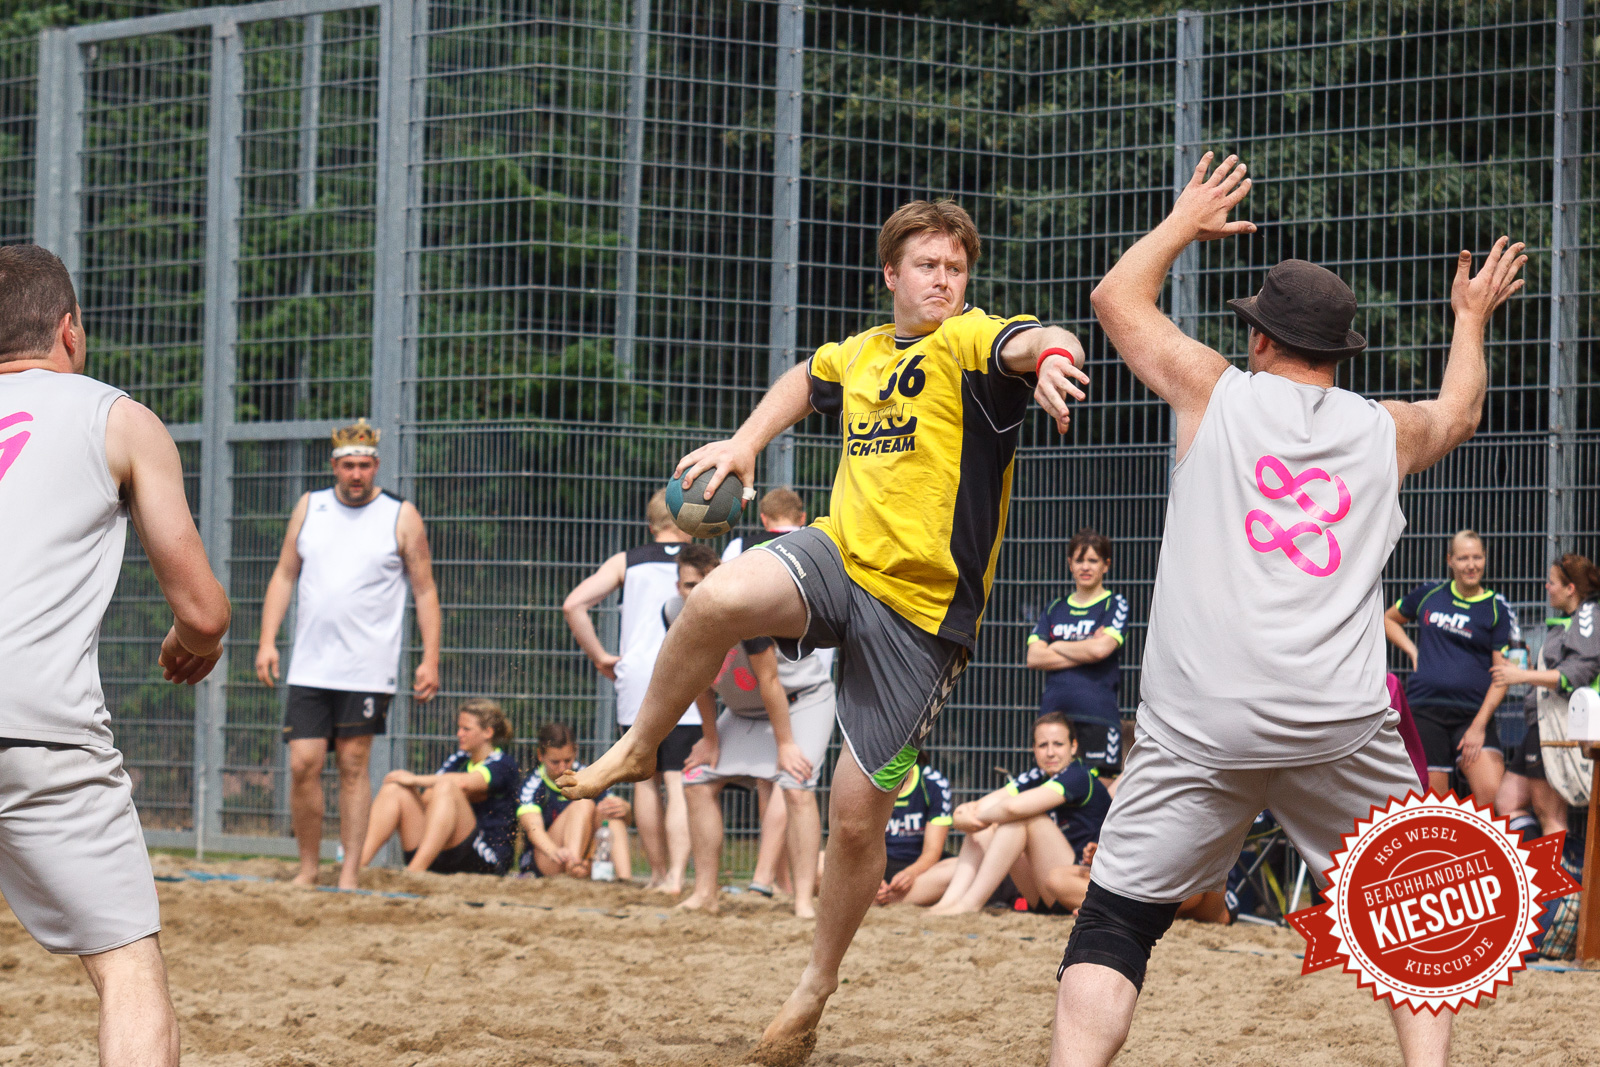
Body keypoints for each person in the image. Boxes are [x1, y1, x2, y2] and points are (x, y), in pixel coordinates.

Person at [559, 198, 1089, 1060]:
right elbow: (807, 380)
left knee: (851, 819)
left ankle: (815, 986)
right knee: (719, 597)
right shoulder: (864, 353)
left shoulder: (970, 343)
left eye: (955, 269)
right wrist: (743, 443)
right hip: (839, 559)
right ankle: (637, 746)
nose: (944, 281)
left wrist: (1058, 354)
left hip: (923, 619)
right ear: (891, 274)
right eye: (927, 266)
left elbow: (1032, 338)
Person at [1053, 152, 1525, 1067]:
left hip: (1200, 724)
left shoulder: (1213, 392)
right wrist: (1469, 319)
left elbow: (1116, 299)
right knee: (1419, 910)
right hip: (1336, 722)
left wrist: (1185, 222)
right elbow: (1460, 410)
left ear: (1262, 341)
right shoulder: (1383, 430)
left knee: (1115, 925)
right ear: (1339, 356)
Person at [0, 243, 232, 1067]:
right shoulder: (115, 416)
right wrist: (188, 641)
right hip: (36, 726)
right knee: (130, 969)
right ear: (69, 330)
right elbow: (205, 611)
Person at [255, 418, 442, 889]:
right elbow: (283, 575)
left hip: (367, 666)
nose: (356, 474)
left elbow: (424, 591)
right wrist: (266, 641)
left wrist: (429, 658)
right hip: (312, 663)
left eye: (364, 465)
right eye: (347, 465)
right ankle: (308, 867)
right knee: (303, 763)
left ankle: (350, 874)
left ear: (376, 466)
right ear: (334, 467)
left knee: (354, 766)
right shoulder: (310, 507)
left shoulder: (401, 515)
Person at [675, 545, 835, 917]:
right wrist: (710, 739)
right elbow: (695, 680)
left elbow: (770, 681)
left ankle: (801, 902)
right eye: (688, 585)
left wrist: (786, 745)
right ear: (677, 584)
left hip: (801, 701)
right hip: (745, 712)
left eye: (703, 582)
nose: (696, 592)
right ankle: (704, 894)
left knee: (796, 786)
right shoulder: (675, 613)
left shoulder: (743, 612)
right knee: (696, 779)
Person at [563, 489, 700, 892]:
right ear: (690, 521)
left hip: (638, 677)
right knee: (679, 780)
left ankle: (656, 876)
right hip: (687, 674)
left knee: (645, 779)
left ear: (650, 524)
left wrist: (601, 656)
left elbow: (574, 604)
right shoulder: (702, 563)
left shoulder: (628, 561)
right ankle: (677, 877)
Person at [723, 487, 837, 898]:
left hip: (768, 676)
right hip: (809, 672)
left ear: (764, 519)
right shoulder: (820, 544)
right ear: (801, 515)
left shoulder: (742, 547)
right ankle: (778, 881)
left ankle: (763, 879)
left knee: (782, 780)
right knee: (779, 779)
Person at [925, 713, 1110, 915]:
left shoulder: (1078, 774)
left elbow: (1013, 809)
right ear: (1033, 750)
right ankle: (950, 901)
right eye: (1042, 745)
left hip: (1074, 881)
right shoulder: (1036, 776)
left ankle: (970, 903)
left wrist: (973, 818)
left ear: (1073, 747)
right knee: (985, 829)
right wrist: (965, 817)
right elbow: (977, 808)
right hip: (1043, 891)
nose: (1050, 752)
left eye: (1058, 744)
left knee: (1024, 819)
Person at [1384, 529, 1515, 806]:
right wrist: (1412, 650)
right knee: (1432, 804)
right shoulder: (1429, 593)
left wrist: (1478, 727)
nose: (1471, 565)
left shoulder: (1496, 607)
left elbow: (1502, 676)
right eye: (1463, 557)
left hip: (1473, 715)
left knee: (1495, 799)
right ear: (1450, 560)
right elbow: (1389, 619)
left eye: (1477, 557)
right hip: (1425, 711)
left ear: (1485, 559)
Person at [1493, 554, 1600, 836]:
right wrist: (1528, 668)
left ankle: (1559, 878)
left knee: (1550, 815)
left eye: (1551, 582)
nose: (1546, 587)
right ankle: (1537, 873)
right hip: (1539, 723)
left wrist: (1523, 676)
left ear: (1571, 589)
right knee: (1508, 802)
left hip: (1558, 724)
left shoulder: (1588, 617)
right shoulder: (1567, 620)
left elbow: (1577, 673)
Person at [358, 698, 520, 875]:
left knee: (446, 787)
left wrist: (414, 779)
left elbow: (463, 783)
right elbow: (428, 797)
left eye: (466, 729)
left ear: (488, 733)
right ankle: (357, 866)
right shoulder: (459, 759)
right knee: (395, 789)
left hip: (485, 861)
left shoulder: (503, 764)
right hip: (444, 852)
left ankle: (413, 872)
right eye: (459, 728)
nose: (459, 734)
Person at [1028, 527, 1131, 776]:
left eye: (1093, 560)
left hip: (1098, 717)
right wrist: (1085, 648)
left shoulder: (1114, 604)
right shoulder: (1055, 608)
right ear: (1070, 564)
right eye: (1080, 560)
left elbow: (1100, 649)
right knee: (1052, 796)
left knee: (1100, 797)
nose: (1086, 567)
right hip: (1054, 722)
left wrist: (1058, 645)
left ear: (1106, 565)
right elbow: (1034, 657)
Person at [517, 721, 633, 878]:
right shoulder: (533, 785)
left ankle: (624, 880)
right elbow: (533, 829)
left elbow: (623, 819)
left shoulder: (588, 776)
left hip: (588, 857)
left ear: (575, 752)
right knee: (583, 804)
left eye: (568, 760)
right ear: (540, 756)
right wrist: (554, 850)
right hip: (550, 858)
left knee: (610, 812)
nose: (562, 768)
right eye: (555, 762)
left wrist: (625, 809)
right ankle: (574, 865)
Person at [875, 759, 954, 906]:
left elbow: (932, 851)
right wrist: (871, 878)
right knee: (823, 862)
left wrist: (911, 873)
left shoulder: (932, 781)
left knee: (961, 868)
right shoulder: (866, 781)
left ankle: (878, 899)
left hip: (919, 870)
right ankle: (880, 896)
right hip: (874, 866)